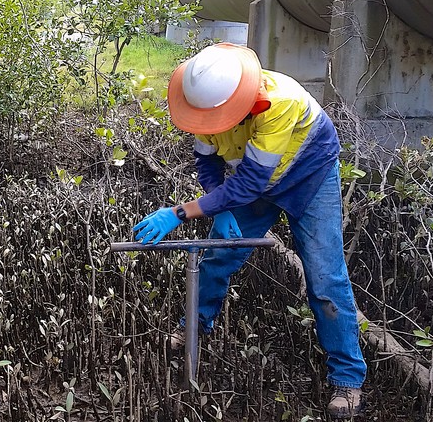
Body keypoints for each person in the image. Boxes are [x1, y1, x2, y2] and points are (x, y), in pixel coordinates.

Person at [132, 42, 366, 418]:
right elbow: (208, 166)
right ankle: (194, 326)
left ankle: (348, 378)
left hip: (309, 175)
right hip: (255, 179)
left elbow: (250, 185)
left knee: (325, 276)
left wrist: (180, 212)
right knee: (218, 255)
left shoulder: (280, 102)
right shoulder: (205, 107)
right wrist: (216, 203)